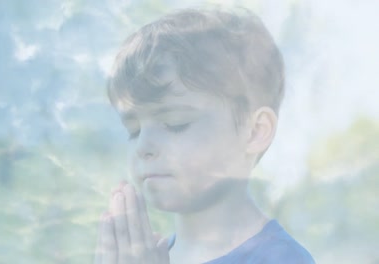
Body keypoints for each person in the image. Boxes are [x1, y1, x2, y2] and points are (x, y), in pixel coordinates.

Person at [95, 7, 315, 264]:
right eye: (133, 130)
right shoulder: (152, 255)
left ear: (254, 132)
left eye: (176, 123)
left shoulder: (281, 259)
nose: (143, 146)